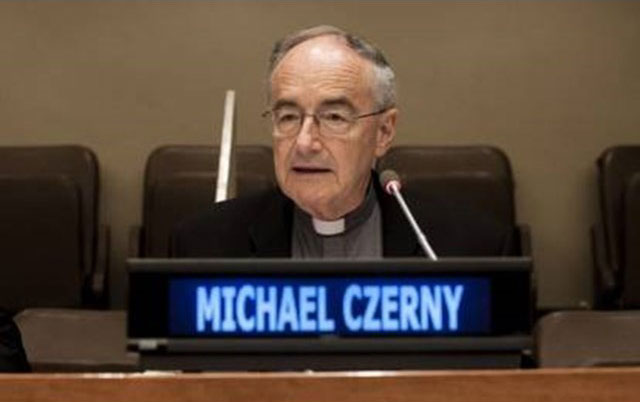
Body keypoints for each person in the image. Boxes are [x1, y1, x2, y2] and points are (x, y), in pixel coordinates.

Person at [172, 25, 511, 258]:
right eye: (288, 116)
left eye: (334, 117)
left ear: (384, 132)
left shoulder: (469, 246)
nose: (304, 143)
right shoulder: (203, 245)